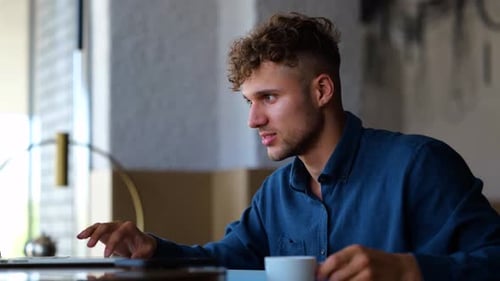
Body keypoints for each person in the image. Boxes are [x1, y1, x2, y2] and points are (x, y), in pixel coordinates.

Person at [77, 12, 500, 280]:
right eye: (249, 101)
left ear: (321, 91)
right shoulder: (276, 194)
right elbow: (227, 260)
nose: (253, 119)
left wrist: (411, 270)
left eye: (269, 98)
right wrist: (155, 250)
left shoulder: (419, 165)